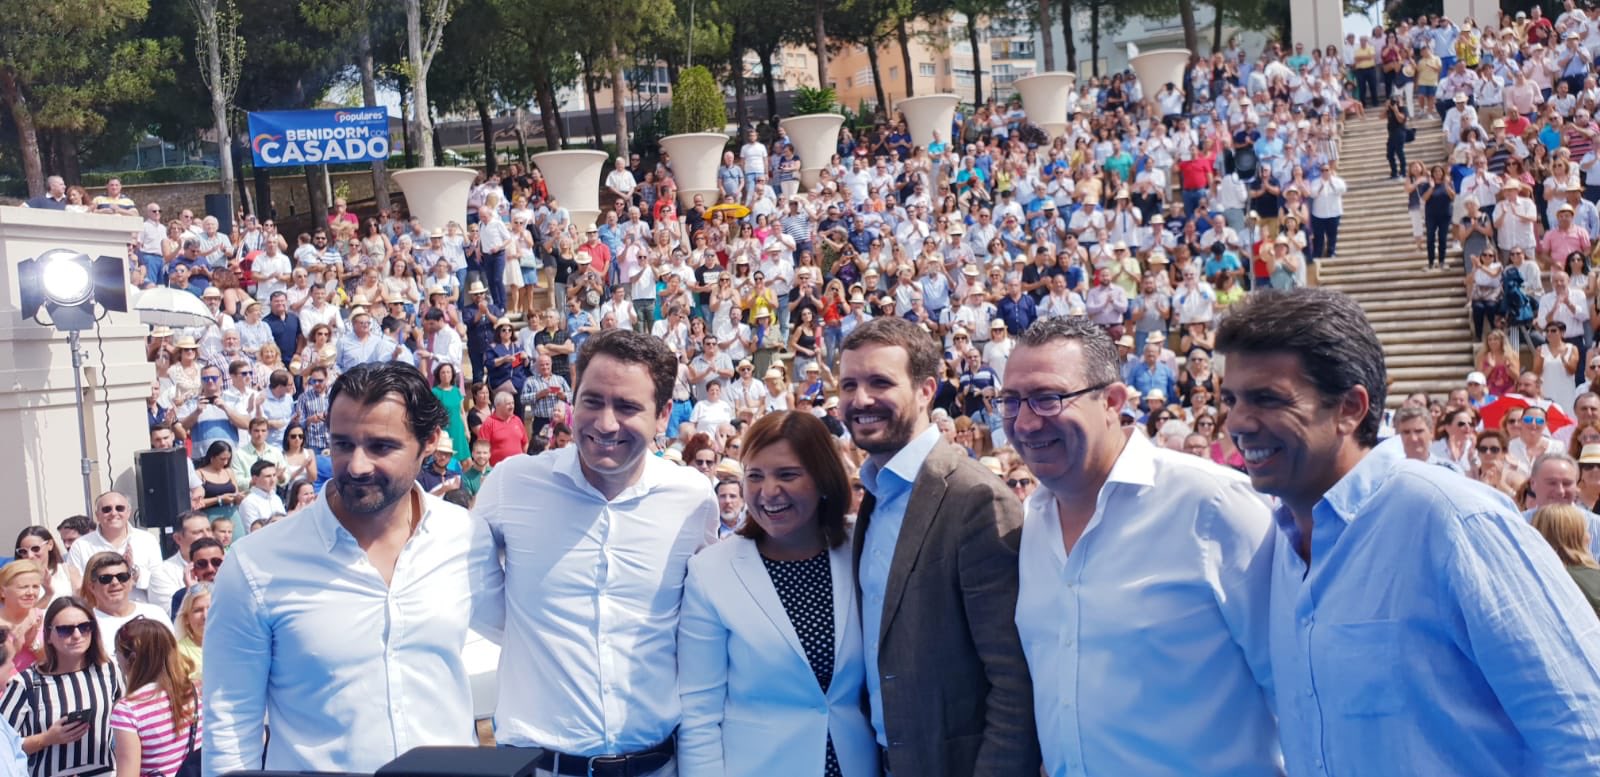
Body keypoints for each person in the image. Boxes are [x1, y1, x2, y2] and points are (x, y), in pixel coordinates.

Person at [1216, 287, 1600, 774]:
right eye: (1230, 400)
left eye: (1266, 399)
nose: (1237, 422)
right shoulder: (1282, 550)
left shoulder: (1454, 521)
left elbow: (1585, 736)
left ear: (1351, 408)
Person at [1000, 316, 1280, 776]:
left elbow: (1295, 686)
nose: (1025, 422)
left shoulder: (1213, 505)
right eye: (1010, 402)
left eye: (1047, 399)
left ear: (1111, 401)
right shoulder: (1031, 522)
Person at [203, 363, 502, 773]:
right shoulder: (256, 565)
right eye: (343, 445)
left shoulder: (467, 538)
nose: (357, 466)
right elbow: (231, 723)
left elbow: (525, 639)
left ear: (430, 441)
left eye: (381, 446)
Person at [474, 329, 719, 774]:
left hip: (657, 766)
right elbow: (480, 602)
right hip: (540, 766)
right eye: (592, 401)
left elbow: (702, 621)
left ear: (663, 414)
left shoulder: (694, 497)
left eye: (627, 407)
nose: (605, 423)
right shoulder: (511, 484)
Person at [837, 317, 1039, 776]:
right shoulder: (878, 493)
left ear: (927, 390)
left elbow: (1014, 679)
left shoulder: (973, 497)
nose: (860, 399)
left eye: (879, 382)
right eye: (849, 384)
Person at [678, 411, 880, 777]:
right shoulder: (711, 572)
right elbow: (699, 714)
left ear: (822, 479)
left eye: (787, 475)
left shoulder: (862, 547)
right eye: (754, 476)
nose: (768, 492)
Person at [0, 597, 122, 777]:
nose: (77, 635)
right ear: (48, 636)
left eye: (84, 627)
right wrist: (46, 739)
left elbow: (124, 726)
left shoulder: (108, 669)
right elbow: (6, 746)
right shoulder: (25, 683)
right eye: (65, 630)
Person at [109, 619, 199, 777]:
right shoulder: (194, 690)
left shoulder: (128, 710)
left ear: (132, 658)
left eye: (117, 652)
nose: (116, 658)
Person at [63, 492, 162, 605]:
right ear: (97, 515)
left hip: (141, 613)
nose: (114, 513)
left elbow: (159, 584)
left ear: (128, 512)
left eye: (120, 508)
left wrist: (133, 571)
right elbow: (76, 588)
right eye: (106, 509)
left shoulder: (147, 540)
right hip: (99, 615)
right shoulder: (81, 546)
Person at [79, 553, 172, 648]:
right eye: (106, 579)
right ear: (92, 587)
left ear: (131, 580)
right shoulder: (87, 624)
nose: (115, 582)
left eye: (122, 577)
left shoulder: (155, 613)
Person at [1529, 504, 1600, 616]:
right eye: (1585, 530)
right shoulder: (1594, 578)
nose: (1589, 536)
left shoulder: (1528, 579)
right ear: (1578, 537)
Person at [145, 514, 212, 610]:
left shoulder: (225, 565)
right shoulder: (162, 573)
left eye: (209, 530)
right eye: (198, 532)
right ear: (178, 538)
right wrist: (192, 591)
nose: (207, 536)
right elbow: (172, 614)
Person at [0, 563, 44, 673]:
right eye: (23, 587)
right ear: (2, 591)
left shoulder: (41, 617)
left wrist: (32, 644)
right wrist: (16, 646)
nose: (31, 593)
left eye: (35, 586)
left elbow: (52, 663)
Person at [13, 528, 74, 605]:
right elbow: (24, 614)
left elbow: (83, 604)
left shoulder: (68, 571)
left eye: (35, 549)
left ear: (50, 544)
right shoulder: (14, 580)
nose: (30, 555)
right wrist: (48, 594)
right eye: (23, 551)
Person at [173, 582, 210, 680]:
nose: (205, 616)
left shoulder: (234, 647)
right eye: (198, 610)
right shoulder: (177, 653)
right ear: (186, 619)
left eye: (211, 608)